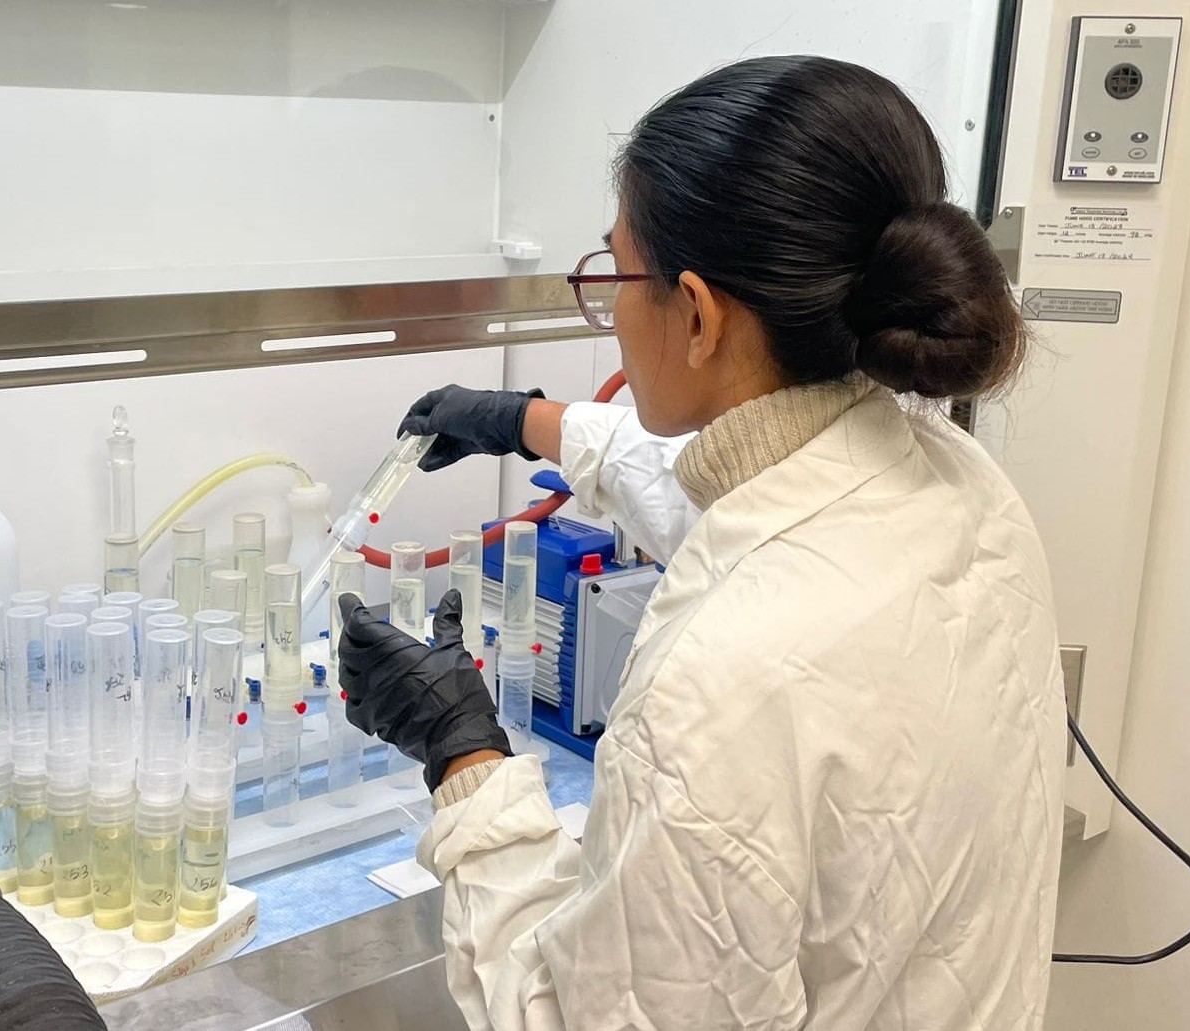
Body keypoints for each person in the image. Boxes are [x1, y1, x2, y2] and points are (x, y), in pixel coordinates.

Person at [335, 56, 1067, 1031]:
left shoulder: (720, 682)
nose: (609, 310)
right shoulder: (958, 482)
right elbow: (747, 497)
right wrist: (527, 421)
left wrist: (463, 757)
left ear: (697, 312)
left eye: (615, 275)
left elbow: (565, 1016)